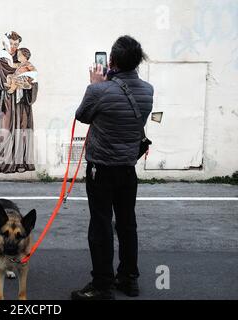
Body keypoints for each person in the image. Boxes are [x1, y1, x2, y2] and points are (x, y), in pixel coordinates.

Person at [71, 35, 154, 300]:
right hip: (128, 169)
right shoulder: (147, 91)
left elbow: (82, 116)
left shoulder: (99, 90)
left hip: (101, 169)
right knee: (127, 223)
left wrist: (95, 84)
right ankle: (129, 278)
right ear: (137, 62)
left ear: (113, 61)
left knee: (101, 225)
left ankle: (101, 285)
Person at [0, 32, 38, 174]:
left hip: (22, 103)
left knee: (22, 130)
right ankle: (3, 162)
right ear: (5, 43)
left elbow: (34, 81)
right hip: (7, 103)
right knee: (5, 131)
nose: (14, 47)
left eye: (16, 44)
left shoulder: (24, 62)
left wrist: (27, 84)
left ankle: (22, 162)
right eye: (11, 44)